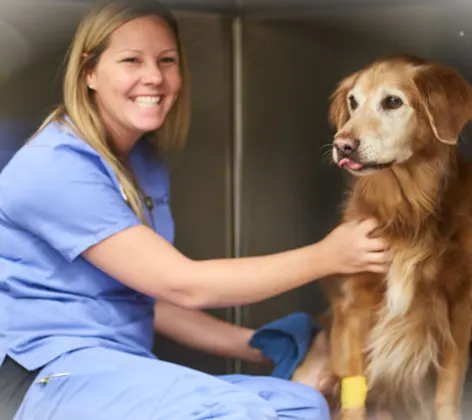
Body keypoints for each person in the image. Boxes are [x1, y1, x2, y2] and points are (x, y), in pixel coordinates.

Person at [0, 1, 391, 419]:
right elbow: (181, 284)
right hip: (44, 376)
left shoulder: (141, 163)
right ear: (89, 72)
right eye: (132, 59)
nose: (154, 76)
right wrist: (328, 256)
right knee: (239, 413)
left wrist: (260, 345)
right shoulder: (56, 167)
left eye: (166, 60)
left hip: (114, 367)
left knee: (303, 405)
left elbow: (147, 299)